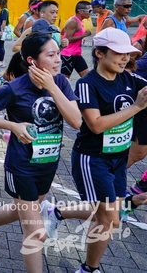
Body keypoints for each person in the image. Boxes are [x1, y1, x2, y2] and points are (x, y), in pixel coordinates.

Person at [0, 32, 81, 272]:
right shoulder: (14, 88)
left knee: (20, 209)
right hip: (21, 166)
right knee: (36, 231)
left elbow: (76, 121)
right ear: (32, 60)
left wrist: (52, 87)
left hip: (48, 163)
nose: (58, 60)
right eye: (51, 55)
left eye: (58, 54)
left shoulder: (60, 83)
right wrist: (14, 126)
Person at [70, 28, 147, 273]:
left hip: (118, 159)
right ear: (99, 53)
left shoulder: (129, 79)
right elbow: (95, 125)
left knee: (108, 219)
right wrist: (136, 107)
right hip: (93, 159)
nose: (126, 58)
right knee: (110, 218)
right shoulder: (87, 84)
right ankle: (88, 269)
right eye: (119, 53)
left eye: (128, 53)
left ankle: (88, 266)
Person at [61, 0, 92, 78]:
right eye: (89, 11)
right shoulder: (73, 21)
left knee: (87, 77)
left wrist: (80, 39)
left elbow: (63, 32)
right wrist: (84, 35)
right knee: (64, 80)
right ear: (80, 11)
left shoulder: (78, 21)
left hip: (76, 54)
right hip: (68, 55)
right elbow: (67, 39)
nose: (90, 13)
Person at [0, 0, 9, 69]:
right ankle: (1, 60)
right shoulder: (2, 10)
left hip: (0, 31)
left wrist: (1, 30)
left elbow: (4, 21)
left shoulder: (4, 11)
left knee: (0, 46)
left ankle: (1, 61)